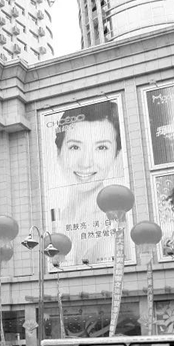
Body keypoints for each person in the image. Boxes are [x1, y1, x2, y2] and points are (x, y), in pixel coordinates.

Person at [51, 100, 124, 265]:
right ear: (58, 152)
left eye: (101, 148)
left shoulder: (116, 223)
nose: (85, 163)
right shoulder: (55, 223)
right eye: (75, 147)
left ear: (116, 155)